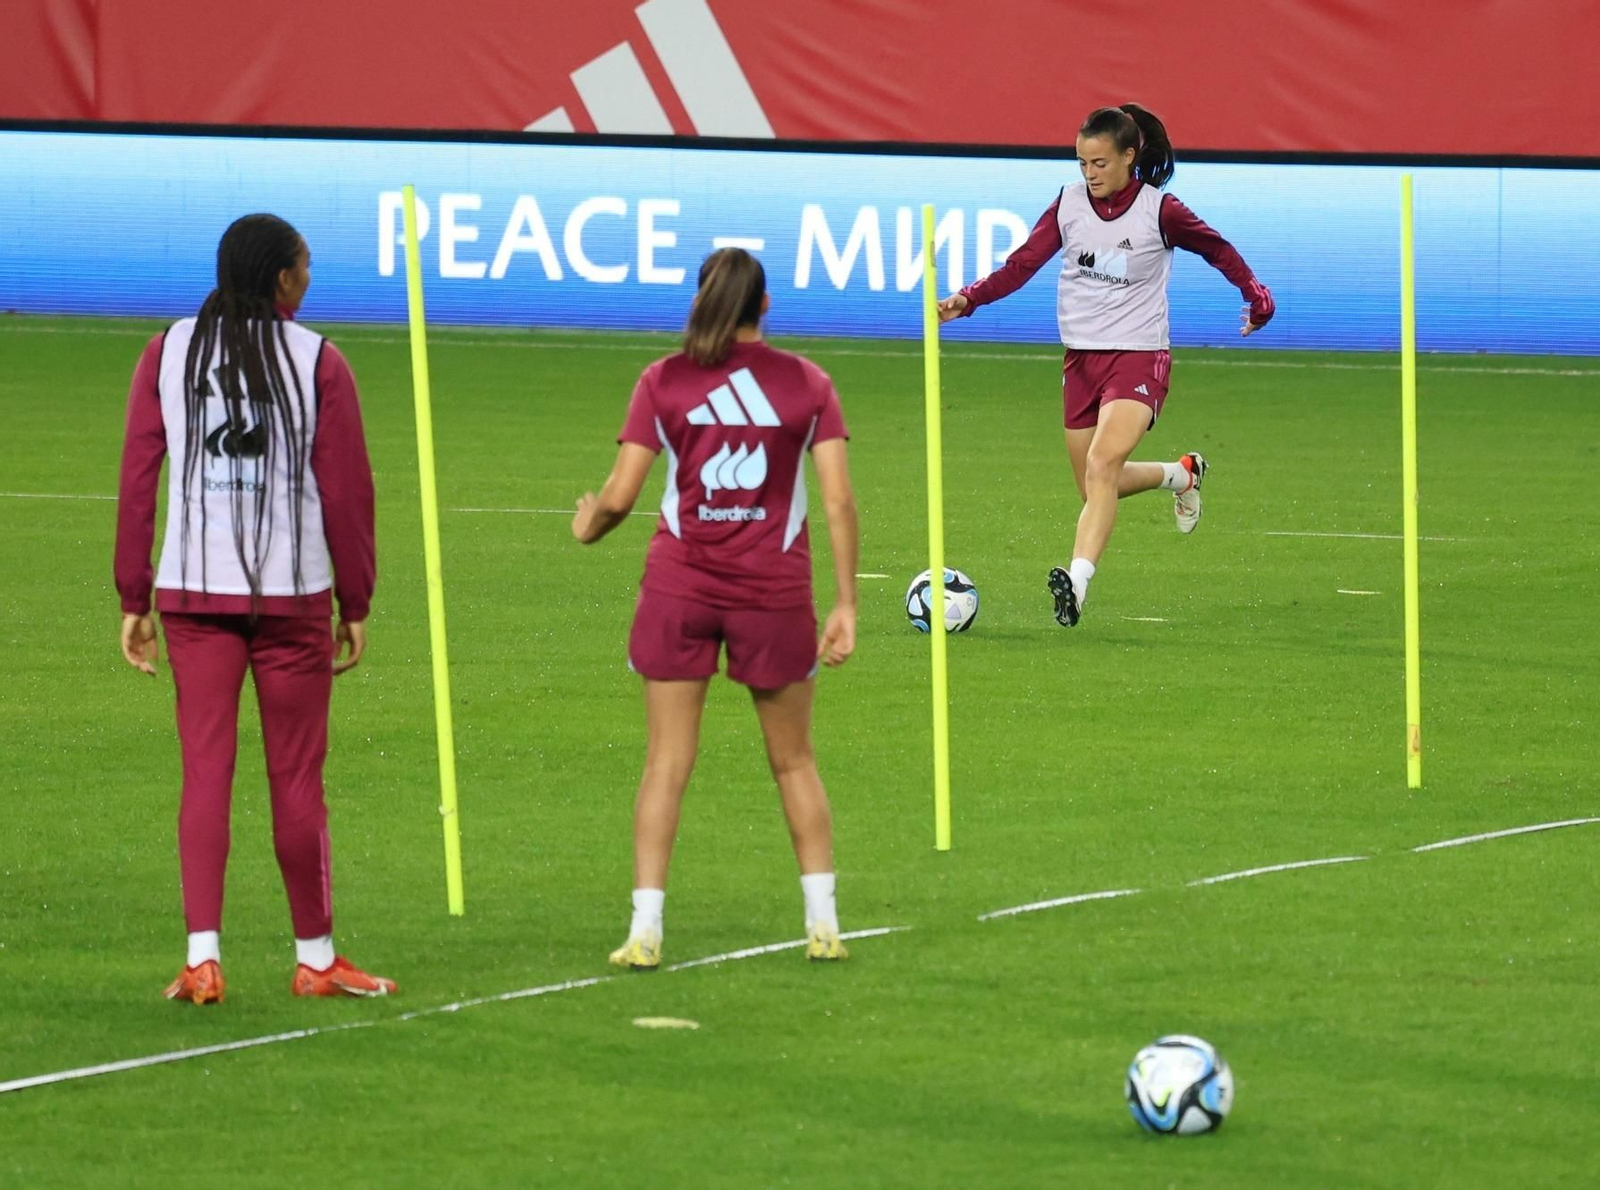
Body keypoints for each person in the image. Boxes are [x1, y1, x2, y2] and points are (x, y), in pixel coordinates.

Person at [115, 213, 395, 1002]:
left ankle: (203, 956)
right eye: (305, 270)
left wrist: (134, 593)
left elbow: (139, 478)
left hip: (194, 594)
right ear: (282, 280)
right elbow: (349, 492)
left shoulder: (168, 352)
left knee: (206, 771)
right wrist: (357, 596)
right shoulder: (319, 362)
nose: (311, 282)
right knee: (297, 780)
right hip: (292, 595)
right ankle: (315, 958)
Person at [572, 247, 859, 969]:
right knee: (793, 761)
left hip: (681, 587)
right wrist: (847, 602)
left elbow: (619, 495)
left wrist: (588, 525)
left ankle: (645, 931)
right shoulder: (808, 384)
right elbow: (836, 501)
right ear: (766, 306)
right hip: (774, 592)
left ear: (701, 300)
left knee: (667, 763)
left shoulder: (663, 380)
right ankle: (823, 925)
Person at [939, 103, 1275, 627]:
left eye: (1099, 163)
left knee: (1101, 467)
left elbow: (1219, 250)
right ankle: (1181, 475)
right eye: (1081, 163)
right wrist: (968, 299)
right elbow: (1023, 263)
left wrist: (1258, 299)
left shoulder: (1160, 210)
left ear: (1128, 156)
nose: (1090, 174)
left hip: (1139, 356)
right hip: (1081, 361)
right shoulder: (1069, 204)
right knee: (1097, 484)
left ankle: (1076, 580)